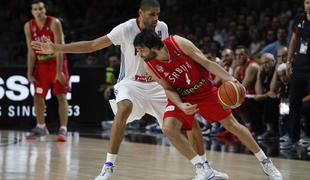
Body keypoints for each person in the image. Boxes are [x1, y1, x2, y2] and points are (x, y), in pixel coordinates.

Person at [31, 1, 228, 179]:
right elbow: (92, 45)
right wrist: (56, 48)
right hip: (131, 83)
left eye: (157, 14)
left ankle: (205, 169)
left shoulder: (162, 28)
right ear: (140, 13)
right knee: (123, 108)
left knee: (190, 122)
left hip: (158, 84)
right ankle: (108, 167)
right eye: (151, 14)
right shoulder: (125, 29)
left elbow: (169, 56)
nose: (155, 18)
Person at [133, 29, 283, 180]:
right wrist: (180, 104)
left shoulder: (177, 43)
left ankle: (266, 163)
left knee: (232, 125)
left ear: (152, 46)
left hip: (203, 90)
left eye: (141, 50)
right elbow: (167, 88)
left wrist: (231, 79)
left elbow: (207, 63)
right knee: (168, 128)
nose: (139, 54)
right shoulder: (150, 65)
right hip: (182, 96)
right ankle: (203, 168)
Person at [24, 0, 69, 142]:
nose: (39, 11)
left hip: (57, 62)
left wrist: (59, 71)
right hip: (41, 64)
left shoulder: (54, 22)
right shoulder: (28, 26)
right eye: (35, 9)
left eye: (41, 8)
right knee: (37, 97)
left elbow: (60, 47)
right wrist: (29, 72)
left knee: (61, 96)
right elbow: (31, 51)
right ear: (32, 11)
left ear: (45, 9)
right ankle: (41, 126)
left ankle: (63, 129)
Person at [284, 0, 310, 149]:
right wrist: (288, 61)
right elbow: (294, 40)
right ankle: (293, 137)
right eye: (307, 2)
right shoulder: (299, 19)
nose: (309, 4)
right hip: (299, 65)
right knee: (293, 101)